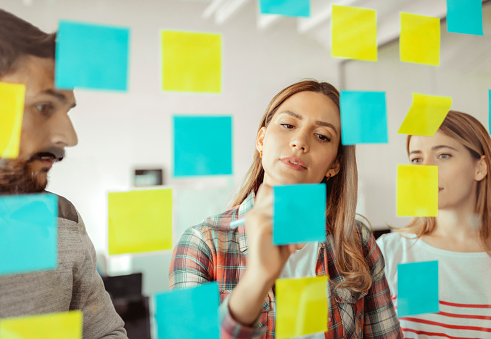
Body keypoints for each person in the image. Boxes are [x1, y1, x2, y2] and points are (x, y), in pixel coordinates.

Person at [170, 80, 402, 338]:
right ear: (261, 139)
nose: (299, 142)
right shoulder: (201, 242)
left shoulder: (356, 239)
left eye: (322, 136)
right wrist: (257, 279)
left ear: (335, 164)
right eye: (288, 125)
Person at [0, 6, 127, 338]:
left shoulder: (60, 218)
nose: (69, 137)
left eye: (66, 109)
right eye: (44, 107)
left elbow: (105, 332)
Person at [377, 110, 491, 338]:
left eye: (443, 155)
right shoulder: (391, 251)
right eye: (416, 159)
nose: (425, 170)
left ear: (480, 168)